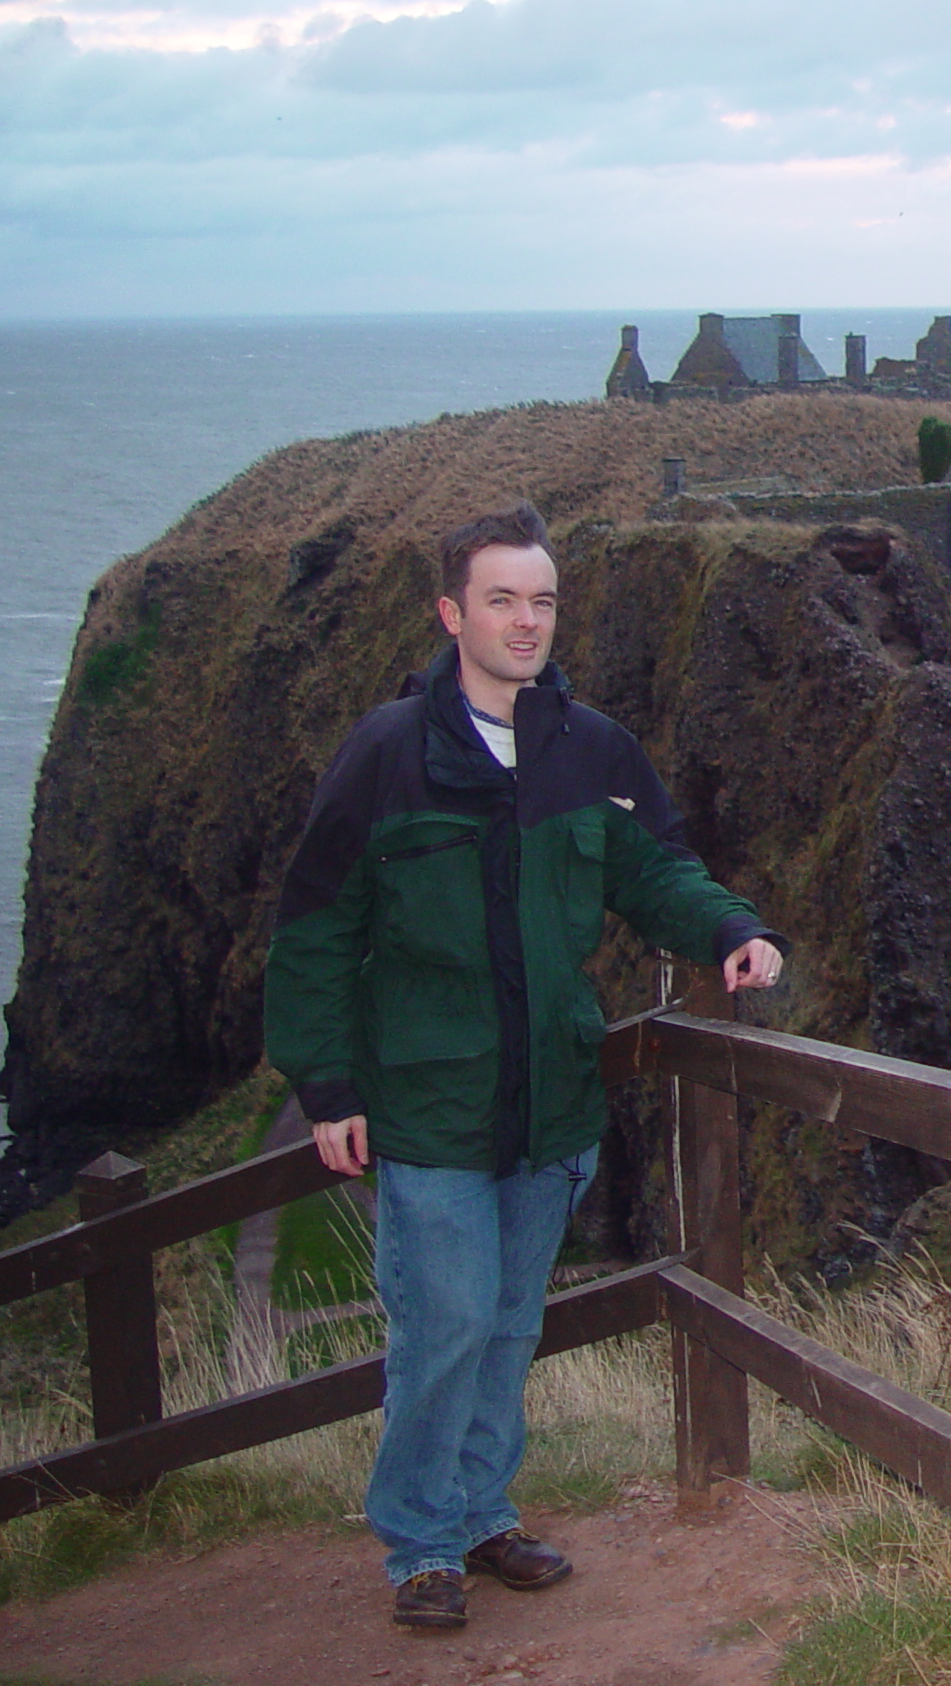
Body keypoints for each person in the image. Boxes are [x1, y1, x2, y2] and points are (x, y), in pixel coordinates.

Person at [264, 501, 783, 1630]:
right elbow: (313, 928)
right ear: (453, 613)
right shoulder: (388, 751)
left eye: (542, 600)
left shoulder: (589, 749)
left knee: (508, 1323)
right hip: (431, 1103)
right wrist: (328, 1086)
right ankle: (420, 1544)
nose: (526, 620)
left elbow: (655, 872)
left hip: (552, 1101)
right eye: (501, 599)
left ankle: (482, 1510)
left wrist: (729, 928)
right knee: (443, 1321)